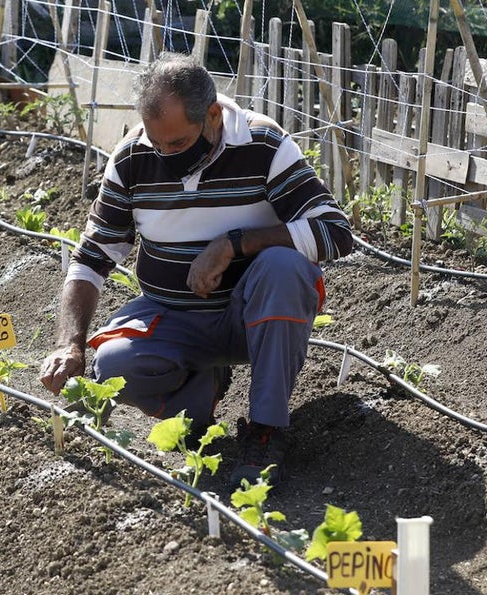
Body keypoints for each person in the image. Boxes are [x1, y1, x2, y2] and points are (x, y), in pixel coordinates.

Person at [38, 52, 353, 491]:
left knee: (285, 267)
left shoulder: (263, 146)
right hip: (176, 318)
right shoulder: (132, 157)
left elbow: (335, 232)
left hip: (253, 320)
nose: (165, 155)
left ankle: (265, 430)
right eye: (157, 143)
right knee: (113, 364)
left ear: (211, 116)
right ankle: (200, 392)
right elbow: (92, 258)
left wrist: (236, 243)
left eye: (178, 144)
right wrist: (69, 344)